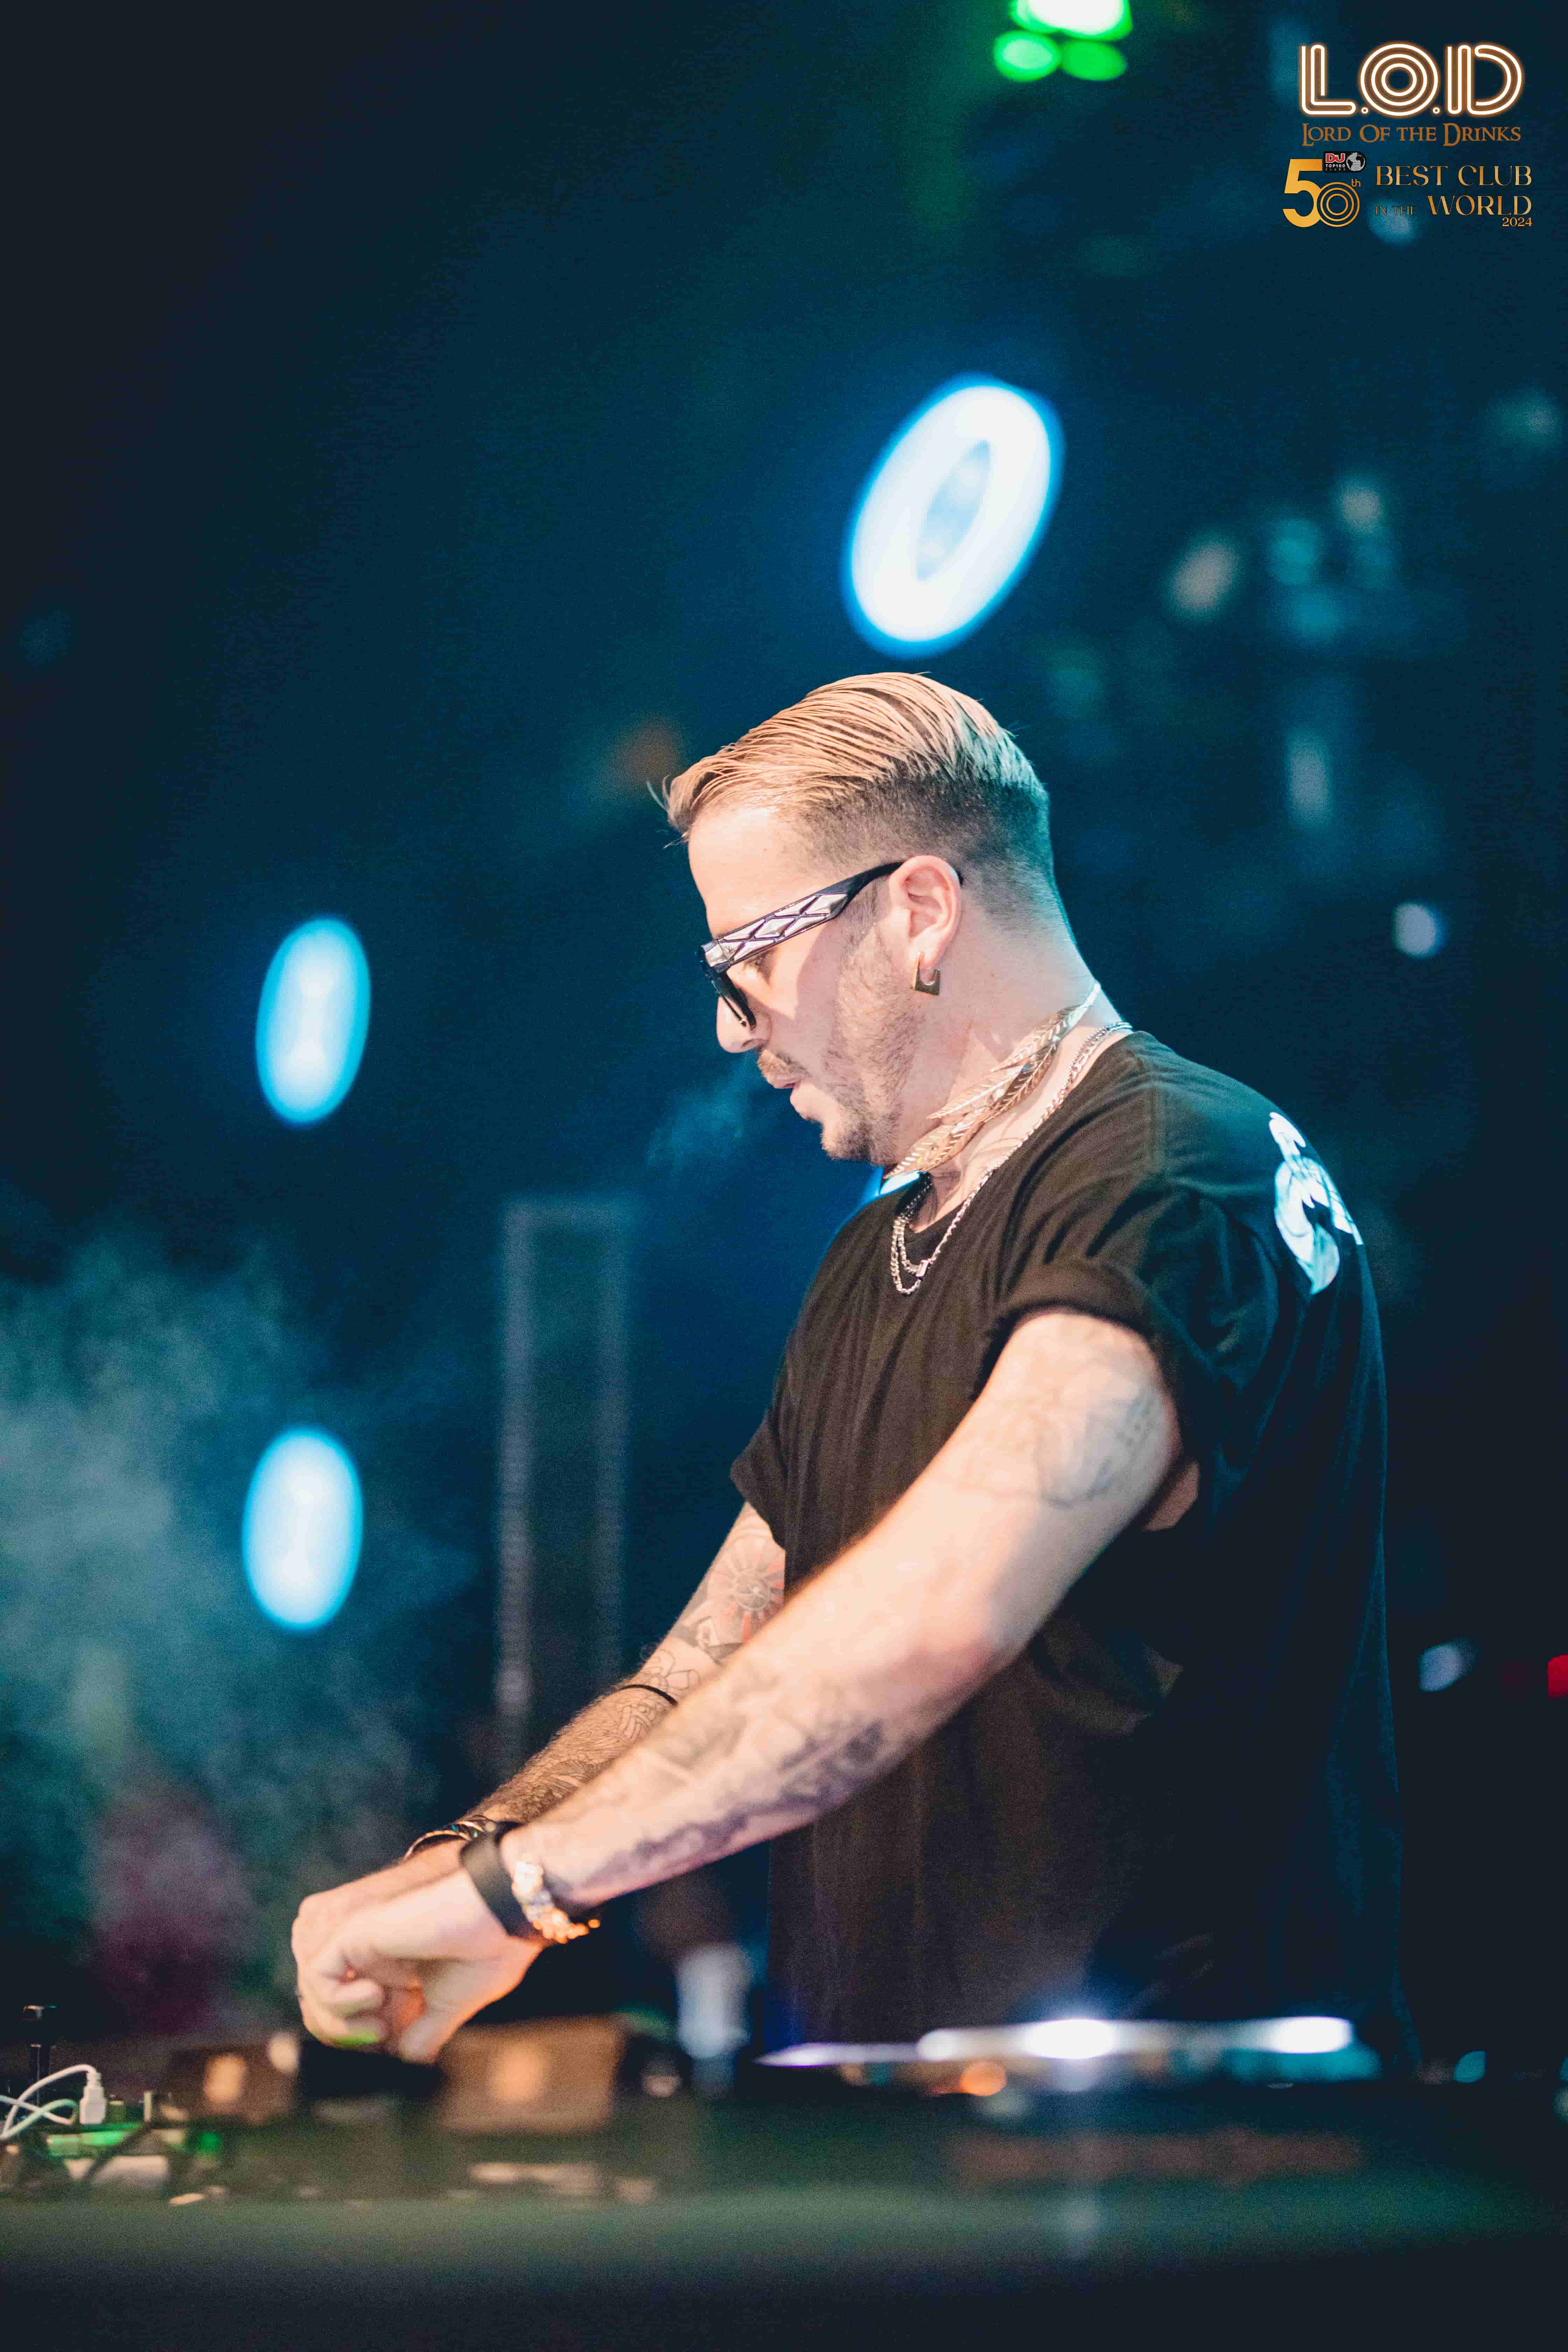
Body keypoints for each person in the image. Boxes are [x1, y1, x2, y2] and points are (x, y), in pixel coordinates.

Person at [292, 672, 1413, 2065]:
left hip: (1184, 2136)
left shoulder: (1174, 1172)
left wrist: (520, 1890)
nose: (729, 1026)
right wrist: (472, 1862)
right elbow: (711, 1661)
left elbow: (941, 1609)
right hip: (907, 2126)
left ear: (918, 910)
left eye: (746, 962)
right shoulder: (873, 1254)